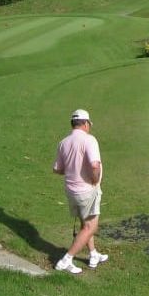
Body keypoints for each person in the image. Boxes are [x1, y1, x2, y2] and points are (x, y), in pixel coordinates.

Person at [52, 108, 108, 273]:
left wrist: (73, 168)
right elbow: (94, 165)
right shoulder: (90, 140)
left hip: (71, 191)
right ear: (85, 124)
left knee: (85, 222)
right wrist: (95, 179)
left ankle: (93, 254)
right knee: (91, 227)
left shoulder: (63, 142)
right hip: (87, 191)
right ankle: (66, 259)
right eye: (89, 124)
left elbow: (57, 169)